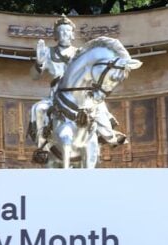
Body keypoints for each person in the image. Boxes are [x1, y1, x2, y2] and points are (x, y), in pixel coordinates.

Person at [30, 15, 127, 163]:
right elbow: (34, 76)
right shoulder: (47, 53)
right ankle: (42, 146)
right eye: (60, 32)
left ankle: (109, 135)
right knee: (38, 108)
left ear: (72, 34)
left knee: (99, 106)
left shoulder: (80, 53)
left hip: (80, 93)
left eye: (67, 31)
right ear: (55, 35)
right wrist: (39, 64)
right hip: (56, 93)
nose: (64, 35)